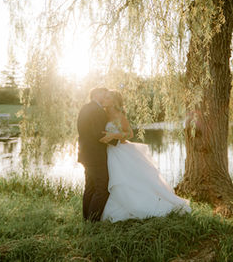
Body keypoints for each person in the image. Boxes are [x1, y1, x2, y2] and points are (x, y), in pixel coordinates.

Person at [99, 90, 191, 222]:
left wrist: (114, 135)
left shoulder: (120, 115)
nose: (104, 99)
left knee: (125, 180)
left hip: (120, 151)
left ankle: (143, 204)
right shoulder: (103, 114)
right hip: (110, 152)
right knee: (117, 180)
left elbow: (129, 134)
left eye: (107, 97)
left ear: (113, 101)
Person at [77, 87, 117, 221]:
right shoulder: (96, 110)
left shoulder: (86, 108)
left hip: (86, 154)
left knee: (90, 187)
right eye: (103, 93)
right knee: (102, 188)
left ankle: (86, 218)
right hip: (95, 156)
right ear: (95, 94)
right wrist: (118, 140)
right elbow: (98, 133)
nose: (105, 95)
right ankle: (93, 221)